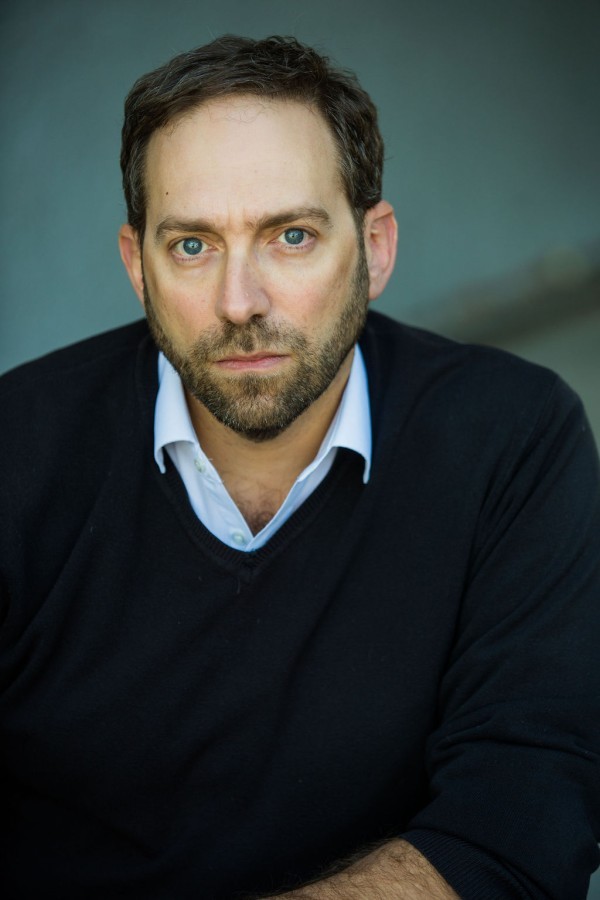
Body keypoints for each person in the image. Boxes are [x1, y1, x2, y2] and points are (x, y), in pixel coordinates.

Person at [0, 34, 599, 900]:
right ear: (137, 266)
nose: (240, 303)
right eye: (193, 246)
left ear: (375, 248)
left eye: (290, 235)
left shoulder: (513, 438)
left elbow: (525, 820)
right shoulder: (17, 451)